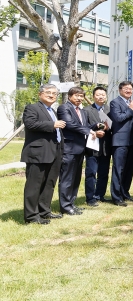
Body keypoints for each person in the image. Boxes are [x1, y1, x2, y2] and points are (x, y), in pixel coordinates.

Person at [21, 84, 65, 225]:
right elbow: (30, 124)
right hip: (38, 152)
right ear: (40, 94)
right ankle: (32, 216)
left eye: (54, 93)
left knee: (49, 183)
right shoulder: (32, 108)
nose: (52, 95)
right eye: (48, 92)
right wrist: (52, 125)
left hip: (54, 151)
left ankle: (44, 211)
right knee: (34, 185)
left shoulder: (52, 110)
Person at [57, 86, 97, 215]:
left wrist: (96, 127)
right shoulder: (64, 108)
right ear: (70, 96)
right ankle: (65, 206)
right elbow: (69, 124)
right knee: (67, 178)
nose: (79, 98)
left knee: (76, 178)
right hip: (69, 148)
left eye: (81, 96)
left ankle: (71, 204)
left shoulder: (82, 111)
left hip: (80, 149)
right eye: (77, 95)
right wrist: (88, 130)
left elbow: (84, 126)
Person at [109, 81, 133, 207]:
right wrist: (131, 109)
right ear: (120, 90)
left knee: (129, 169)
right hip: (120, 142)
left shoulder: (131, 103)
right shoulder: (115, 102)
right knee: (118, 169)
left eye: (130, 89)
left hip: (132, 141)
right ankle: (116, 197)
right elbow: (118, 118)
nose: (128, 91)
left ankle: (125, 193)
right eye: (126, 88)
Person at [82, 86, 112, 206]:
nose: (101, 97)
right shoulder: (86, 110)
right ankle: (90, 198)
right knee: (91, 173)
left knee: (104, 173)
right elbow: (83, 126)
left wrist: (108, 128)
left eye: (103, 95)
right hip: (92, 145)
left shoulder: (110, 110)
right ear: (94, 96)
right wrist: (94, 130)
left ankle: (100, 195)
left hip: (106, 146)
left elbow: (114, 126)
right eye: (98, 94)